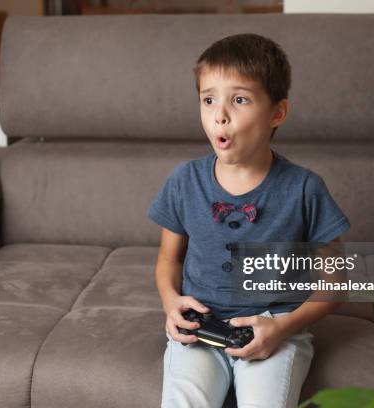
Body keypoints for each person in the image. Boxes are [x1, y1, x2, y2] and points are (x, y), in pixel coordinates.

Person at [147, 33, 350, 408]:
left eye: (239, 100)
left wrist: (280, 329)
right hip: (200, 328)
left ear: (277, 113)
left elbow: (335, 284)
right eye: (209, 100)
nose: (219, 114)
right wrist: (170, 302)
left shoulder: (304, 188)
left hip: (276, 326)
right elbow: (168, 259)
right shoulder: (184, 182)